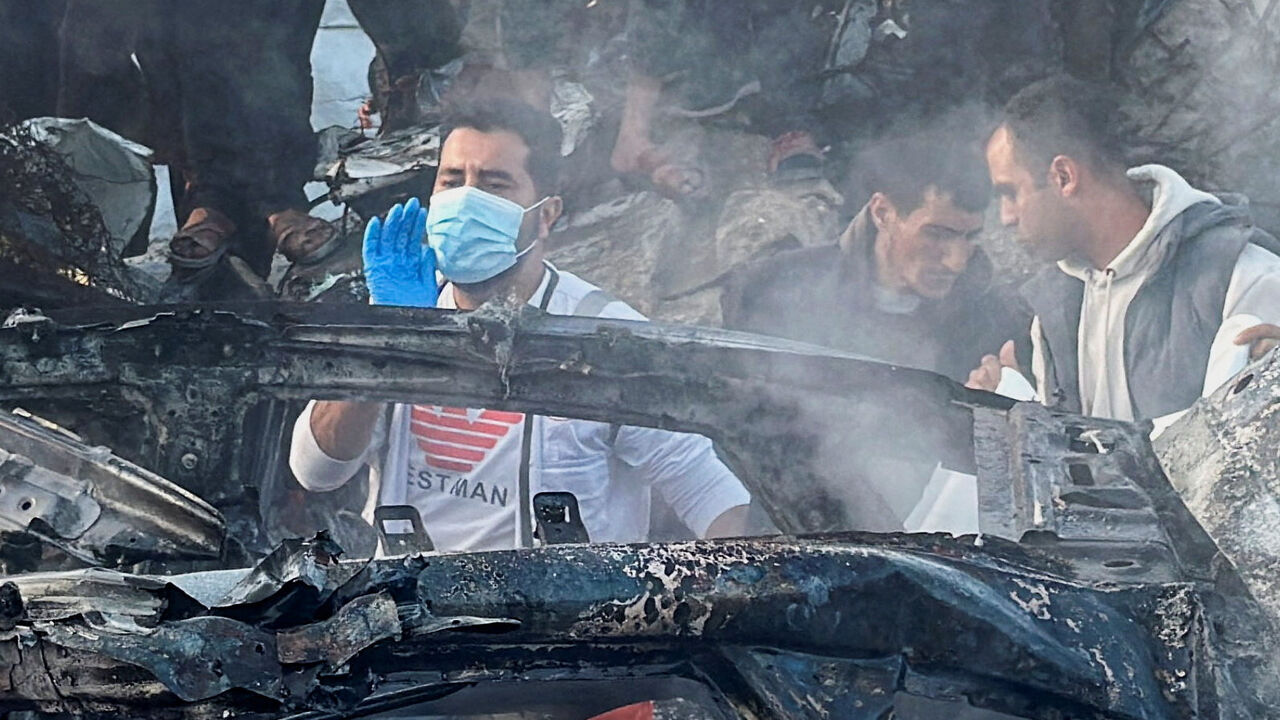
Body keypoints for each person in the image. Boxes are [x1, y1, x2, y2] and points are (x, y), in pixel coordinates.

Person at [289, 99, 750, 553]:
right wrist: (385, 338)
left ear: (546, 214)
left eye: (494, 184)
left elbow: (707, 490)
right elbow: (317, 471)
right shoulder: (404, 307)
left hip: (564, 618)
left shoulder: (607, 335)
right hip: (409, 608)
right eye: (452, 180)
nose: (466, 199)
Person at [967, 75, 1280, 422]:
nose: (1006, 217)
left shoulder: (1244, 278)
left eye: (1010, 193)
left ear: (1064, 177)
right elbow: (1081, 467)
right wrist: (1016, 413)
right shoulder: (1055, 311)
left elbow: (1252, 459)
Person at [720, 126, 1031, 384]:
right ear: (883, 213)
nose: (956, 262)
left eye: (970, 237)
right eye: (936, 234)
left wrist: (995, 407)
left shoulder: (998, 326)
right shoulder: (770, 292)